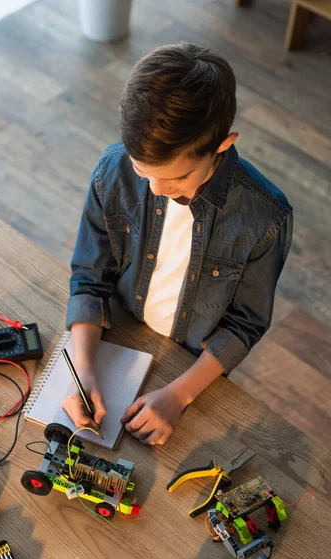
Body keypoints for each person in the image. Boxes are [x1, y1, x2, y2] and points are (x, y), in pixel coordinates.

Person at [62, 42, 293, 446]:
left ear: (222, 144)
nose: (156, 189)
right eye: (142, 171)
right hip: (119, 335)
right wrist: (82, 369)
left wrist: (178, 395)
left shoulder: (264, 218)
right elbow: (89, 275)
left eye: (177, 178)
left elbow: (245, 325)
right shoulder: (112, 171)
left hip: (192, 367)